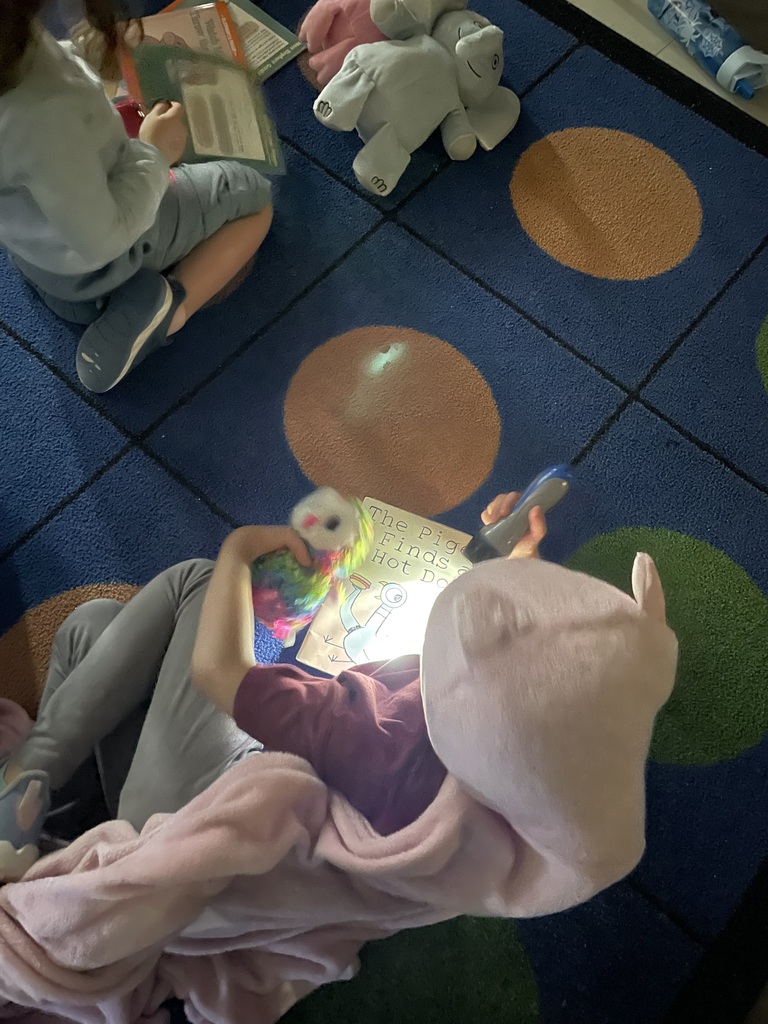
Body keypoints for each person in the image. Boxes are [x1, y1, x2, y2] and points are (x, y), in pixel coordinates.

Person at [0, 491, 546, 881]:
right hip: (149, 824)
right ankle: (45, 823)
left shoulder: (356, 726)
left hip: (163, 846)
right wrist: (517, 579)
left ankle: (26, 780)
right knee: (91, 624)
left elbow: (221, 673)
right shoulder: (451, 742)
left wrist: (239, 551)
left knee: (200, 578)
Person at [0, 0, 274, 393]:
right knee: (252, 194)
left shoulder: (10, 54)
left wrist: (79, 53)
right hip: (102, 261)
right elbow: (105, 238)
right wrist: (157, 155)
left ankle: (94, 300)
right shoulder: (43, 117)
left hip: (39, 262)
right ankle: (169, 308)